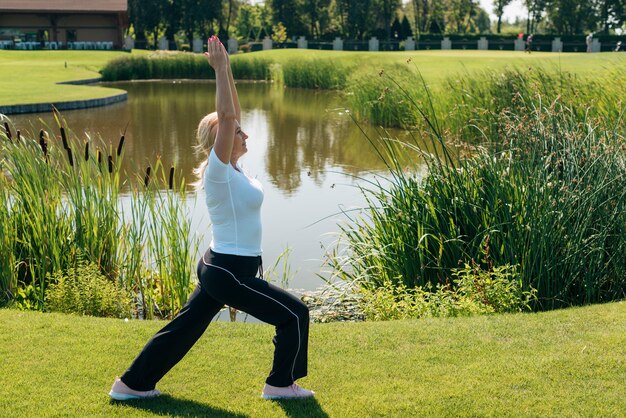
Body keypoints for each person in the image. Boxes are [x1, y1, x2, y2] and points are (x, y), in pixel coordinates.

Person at [109, 36, 314, 401]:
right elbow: (229, 115)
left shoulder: (233, 169)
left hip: (223, 265)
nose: (244, 132)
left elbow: (233, 112)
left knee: (185, 328)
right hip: (229, 270)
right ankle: (280, 385)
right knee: (294, 315)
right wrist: (220, 70)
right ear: (220, 139)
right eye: (237, 132)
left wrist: (229, 69)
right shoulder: (217, 172)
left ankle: (131, 384)